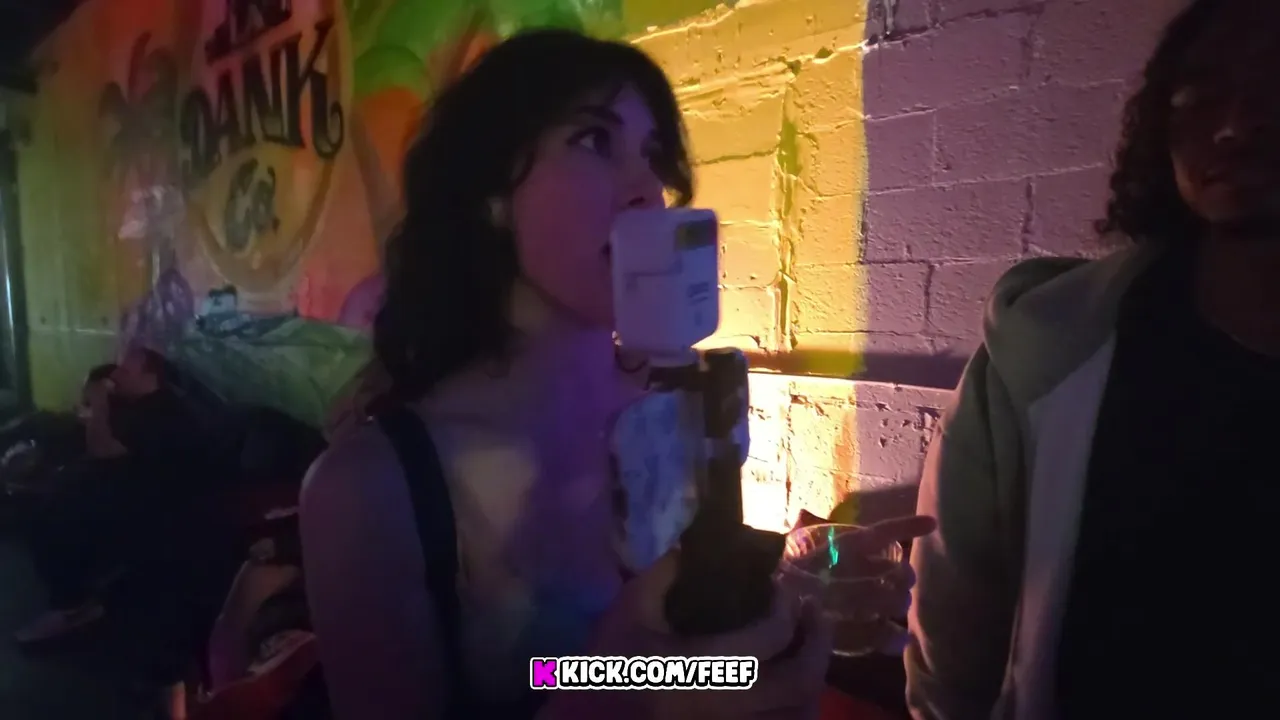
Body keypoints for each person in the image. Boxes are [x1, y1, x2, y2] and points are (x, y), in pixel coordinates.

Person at [301, 28, 931, 720]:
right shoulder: (372, 488)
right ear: (491, 194)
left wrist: (795, 592)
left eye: (652, 157)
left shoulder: (682, 409)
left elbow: (693, 668)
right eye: (594, 140)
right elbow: (606, 677)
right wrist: (612, 690)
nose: (645, 192)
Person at [906, 1, 1279, 718]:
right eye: (1199, 93)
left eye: (1272, 87)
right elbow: (955, 630)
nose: (1234, 125)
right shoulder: (1044, 345)